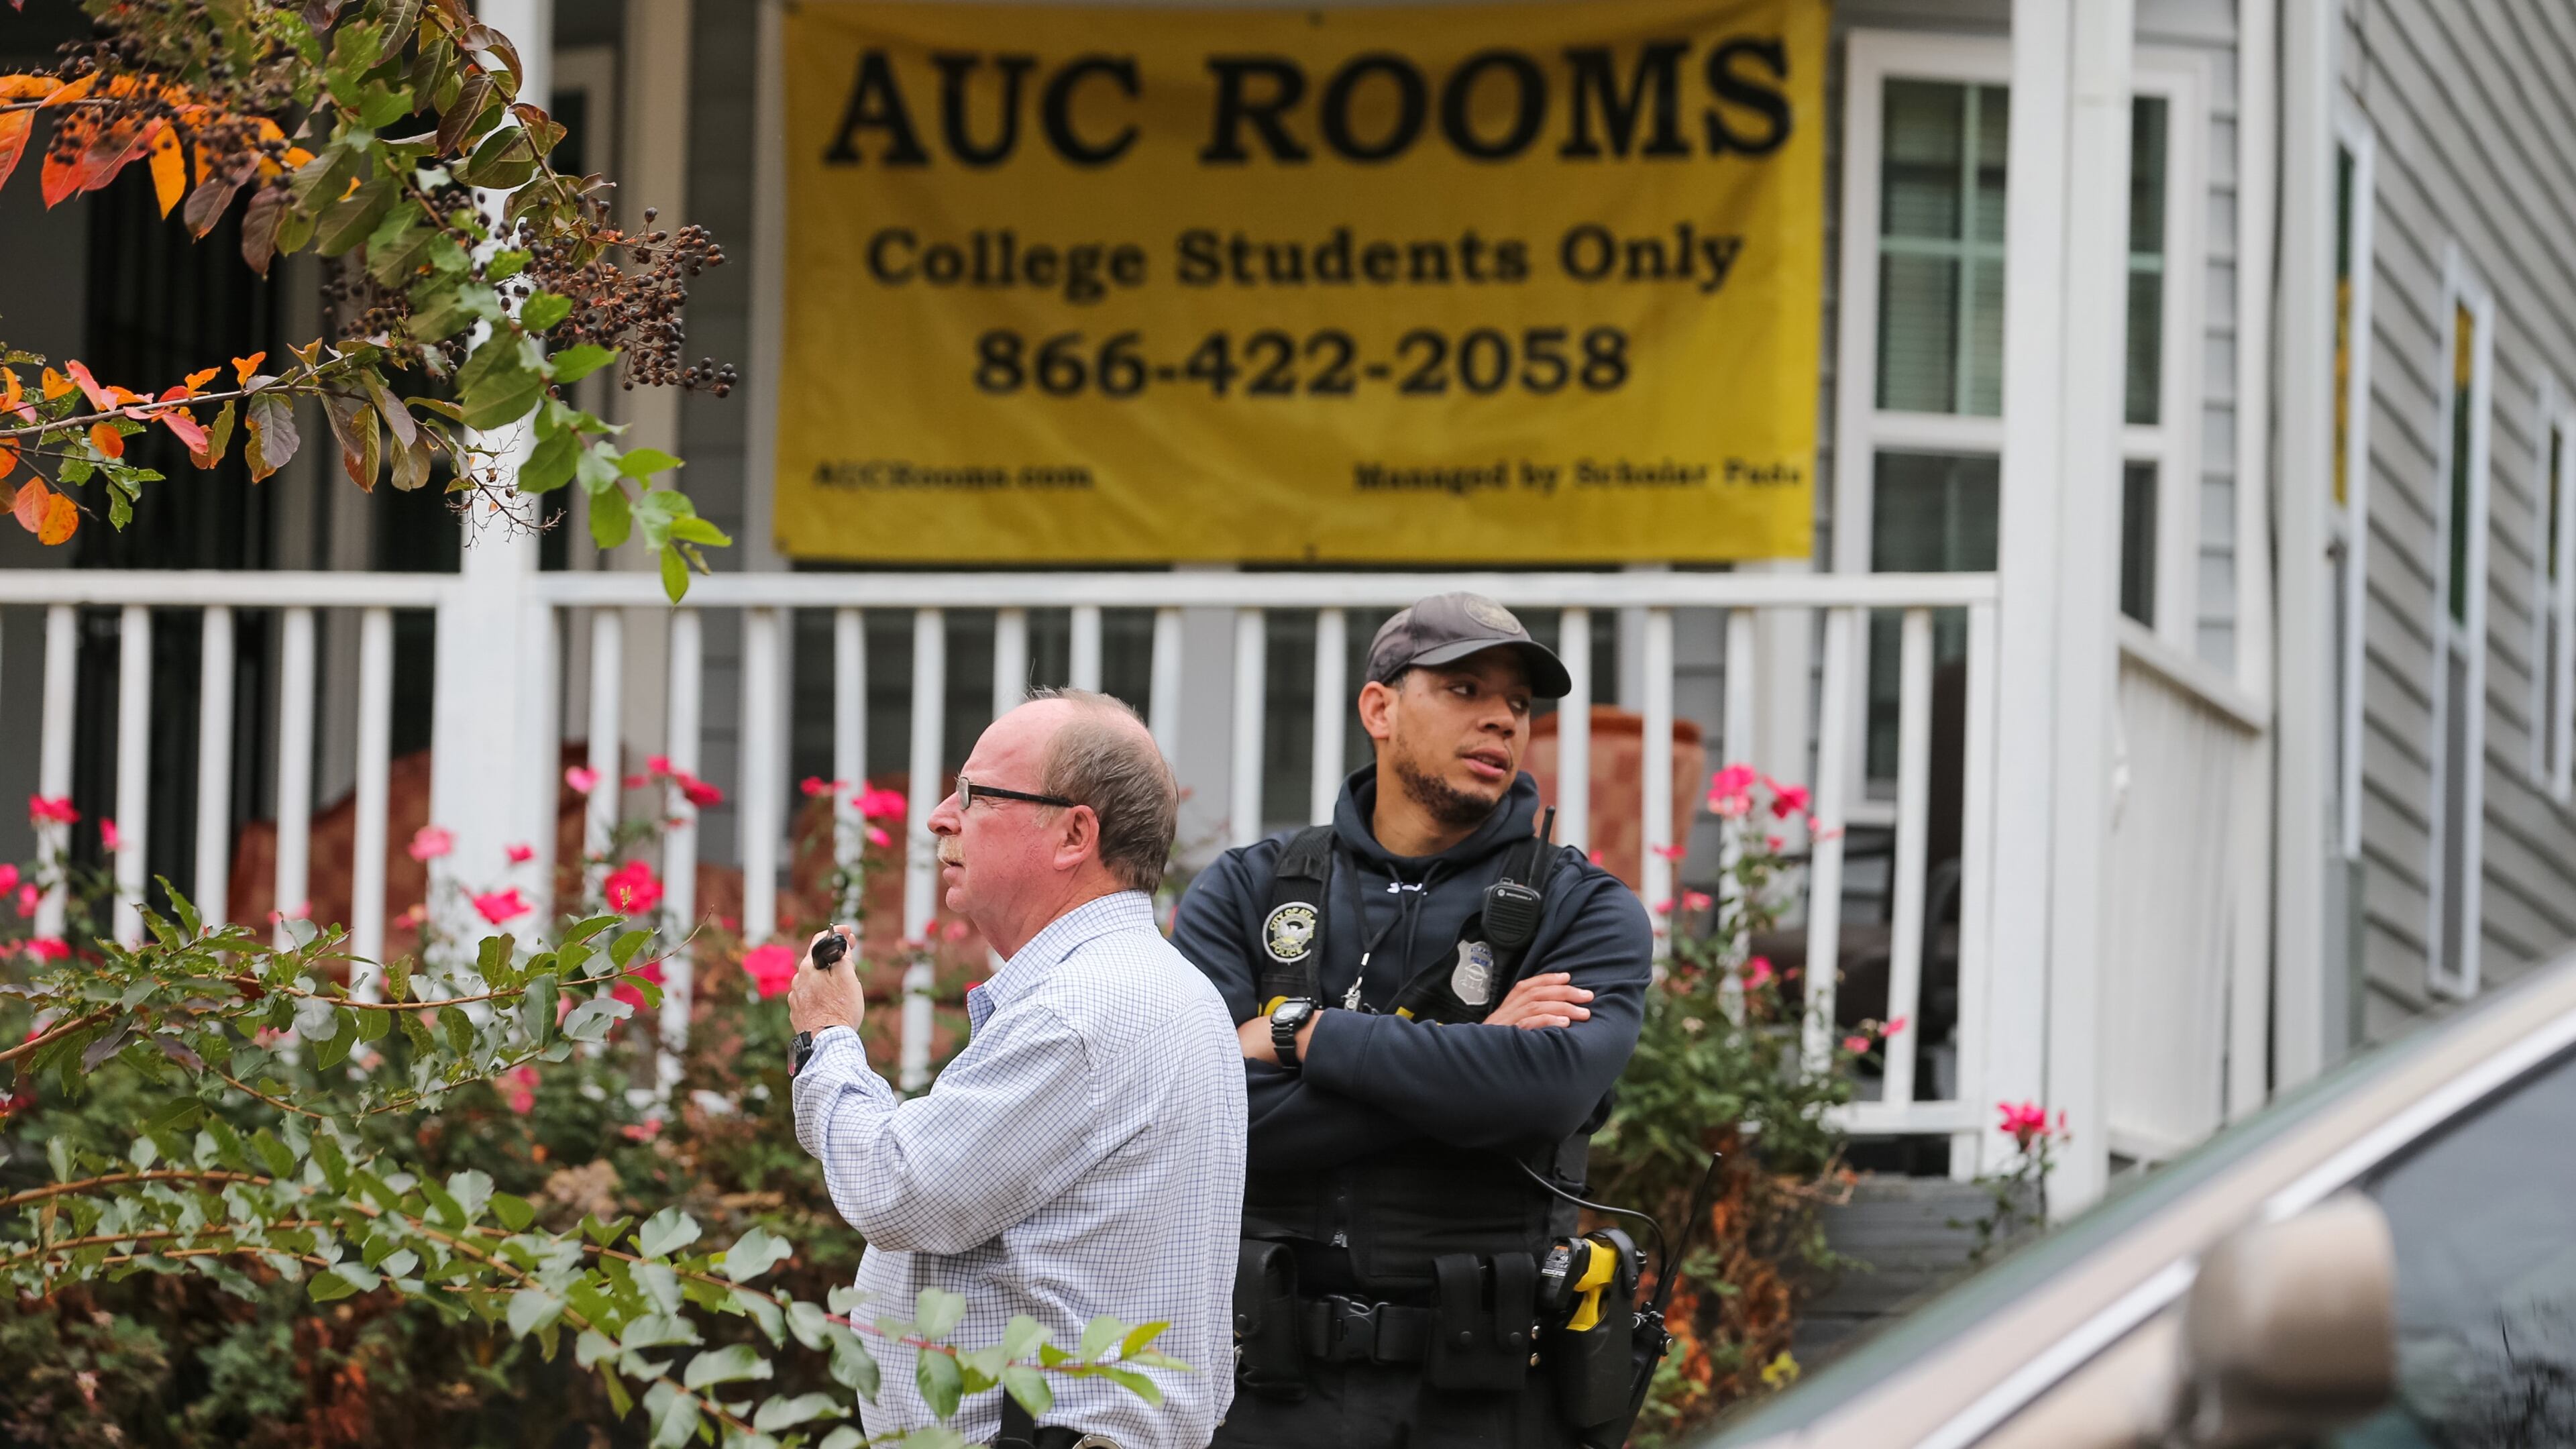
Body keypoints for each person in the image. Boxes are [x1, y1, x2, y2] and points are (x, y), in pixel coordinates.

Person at [1171, 593, 1654, 1449]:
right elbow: (1197, 1110)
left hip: (1484, 1397)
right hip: (1257, 1390)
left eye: (1518, 704)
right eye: (1466, 689)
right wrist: (1470, 1070)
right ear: (1380, 708)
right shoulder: (1249, 889)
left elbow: (1546, 1095)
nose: (1502, 720)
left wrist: (1300, 1035)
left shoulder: (1584, 910)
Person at [790, 690, 1246, 1449]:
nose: (940, 816)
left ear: (1074, 832)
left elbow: (899, 1190)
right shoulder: (1168, 986)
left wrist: (827, 1040)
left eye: (974, 794)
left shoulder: (1079, 1009)